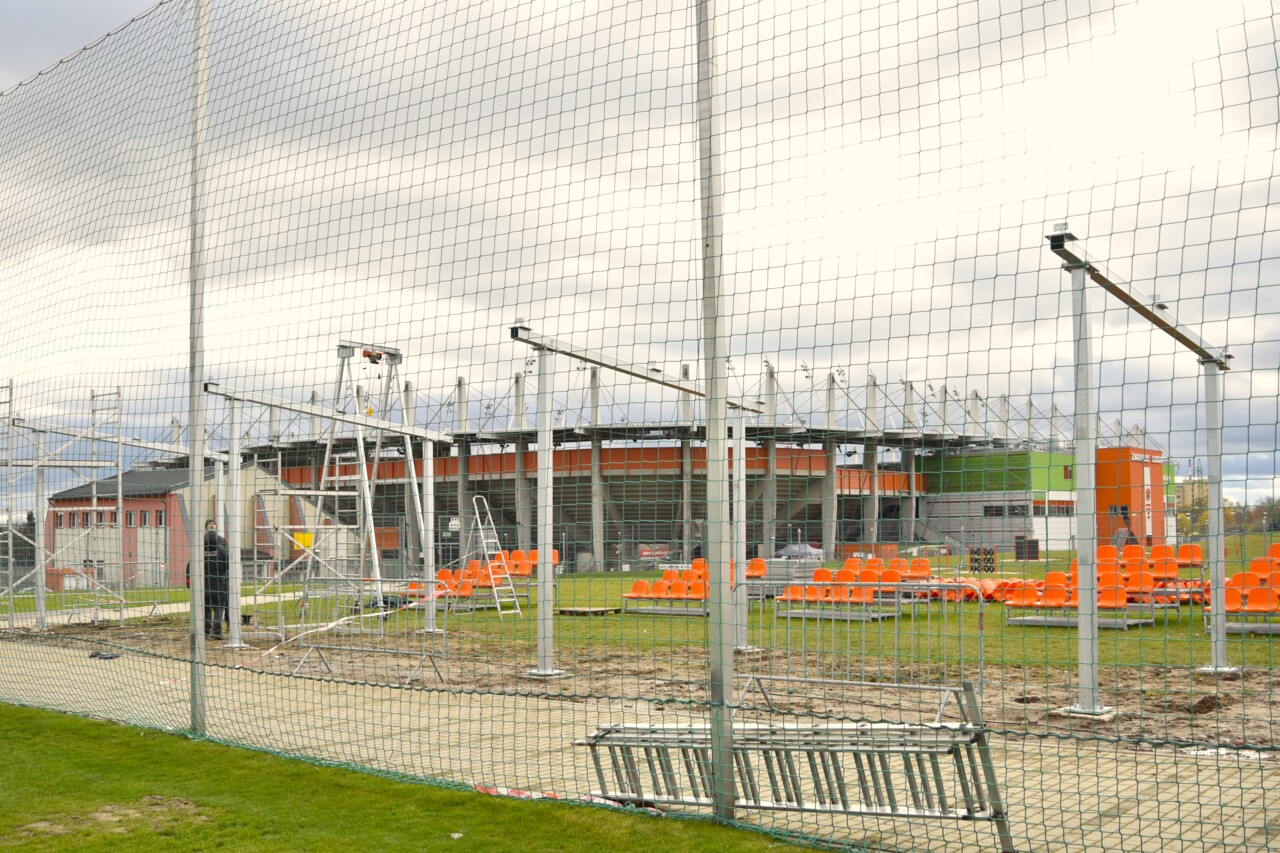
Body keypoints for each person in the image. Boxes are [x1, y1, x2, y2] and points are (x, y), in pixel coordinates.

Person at [187, 519, 231, 640]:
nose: (212, 525)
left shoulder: (200, 550)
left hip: (204, 582)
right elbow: (228, 564)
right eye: (209, 523)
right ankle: (216, 631)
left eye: (213, 523)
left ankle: (206, 630)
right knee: (219, 607)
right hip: (219, 582)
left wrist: (188, 579)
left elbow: (191, 564)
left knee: (206, 606)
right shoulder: (222, 550)